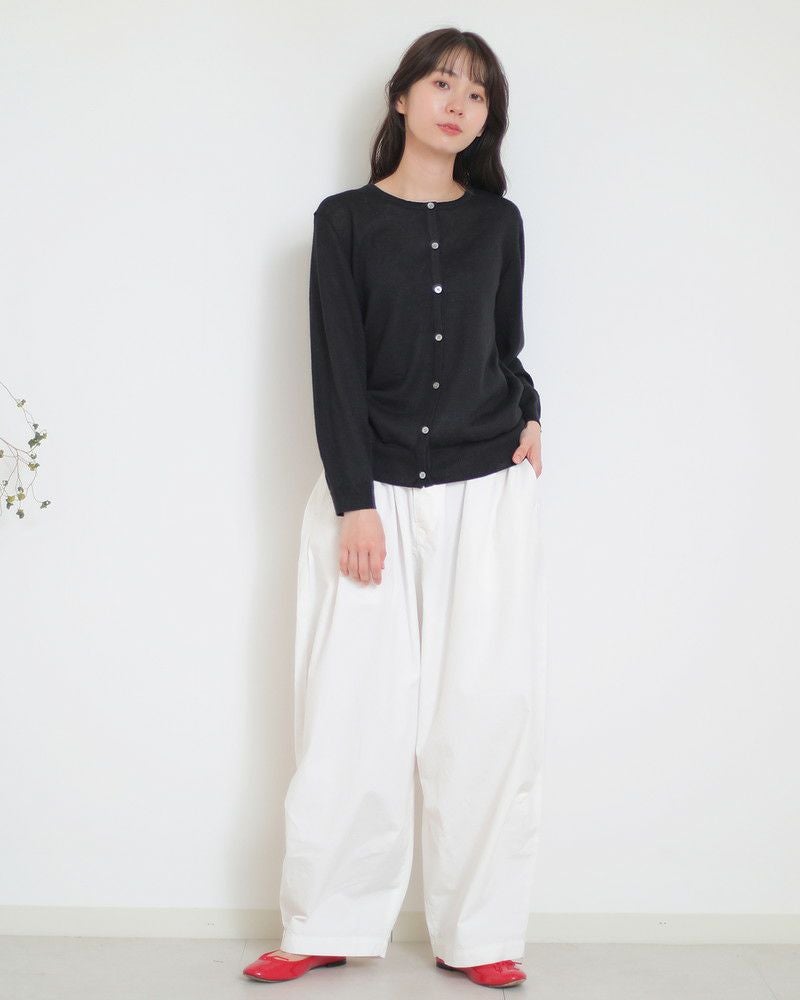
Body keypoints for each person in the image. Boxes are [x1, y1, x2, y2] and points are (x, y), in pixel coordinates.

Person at [243, 26, 548, 991]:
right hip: (368, 494)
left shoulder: (499, 223)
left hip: (485, 491)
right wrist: (354, 501)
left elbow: (505, 348)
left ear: (487, 120)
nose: (459, 103)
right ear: (403, 96)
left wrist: (532, 413)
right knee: (350, 711)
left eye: (478, 93)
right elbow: (333, 370)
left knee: (484, 712)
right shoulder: (343, 222)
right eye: (443, 82)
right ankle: (325, 919)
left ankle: (479, 932)